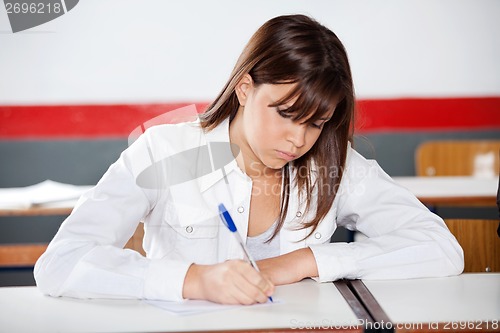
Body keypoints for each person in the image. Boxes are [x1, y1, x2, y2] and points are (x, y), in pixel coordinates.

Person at [34, 14, 464, 305]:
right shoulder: (168, 153)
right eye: (286, 112)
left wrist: (305, 262)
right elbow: (61, 262)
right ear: (244, 89)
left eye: (317, 123)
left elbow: (440, 248)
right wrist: (193, 280)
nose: (298, 139)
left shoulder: (333, 164)